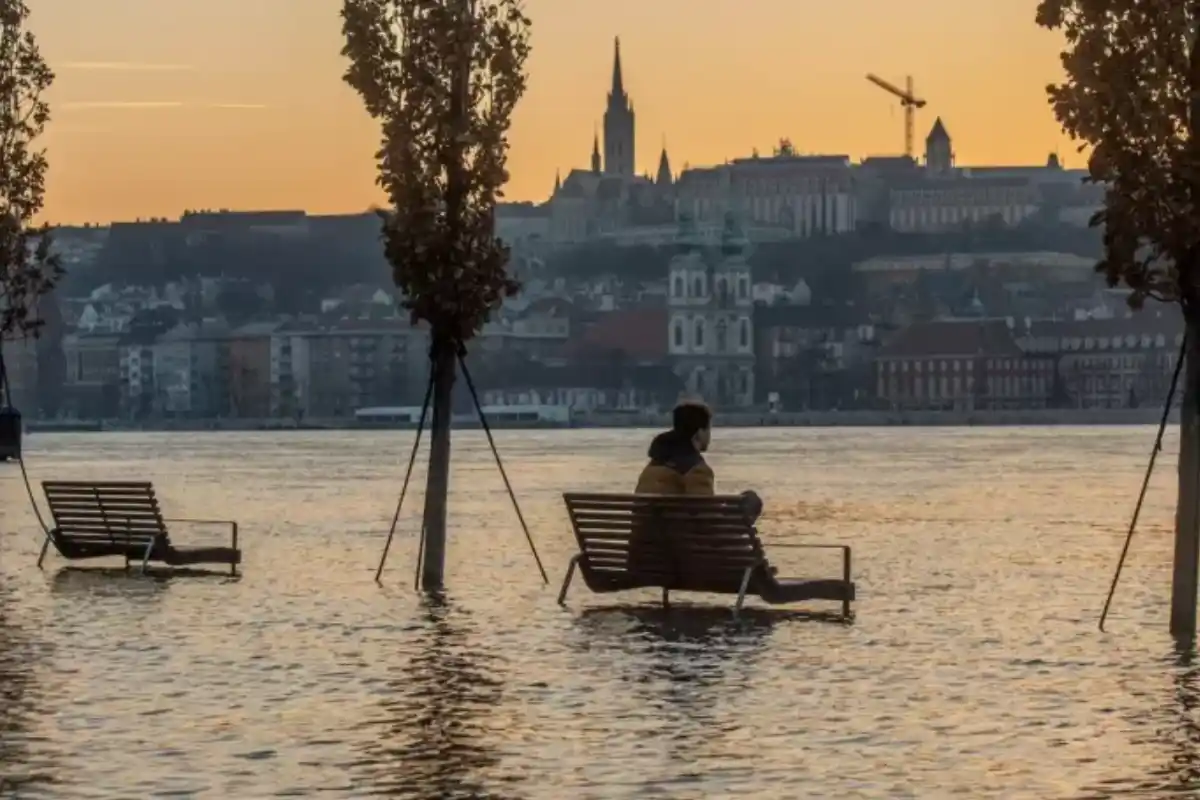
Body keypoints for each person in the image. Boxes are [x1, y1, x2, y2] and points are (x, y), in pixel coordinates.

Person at [634, 400, 764, 522]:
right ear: (699, 433)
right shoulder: (695, 470)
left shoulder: (653, 465)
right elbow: (706, 518)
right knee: (751, 500)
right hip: (680, 538)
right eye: (708, 429)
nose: (709, 435)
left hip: (642, 537)